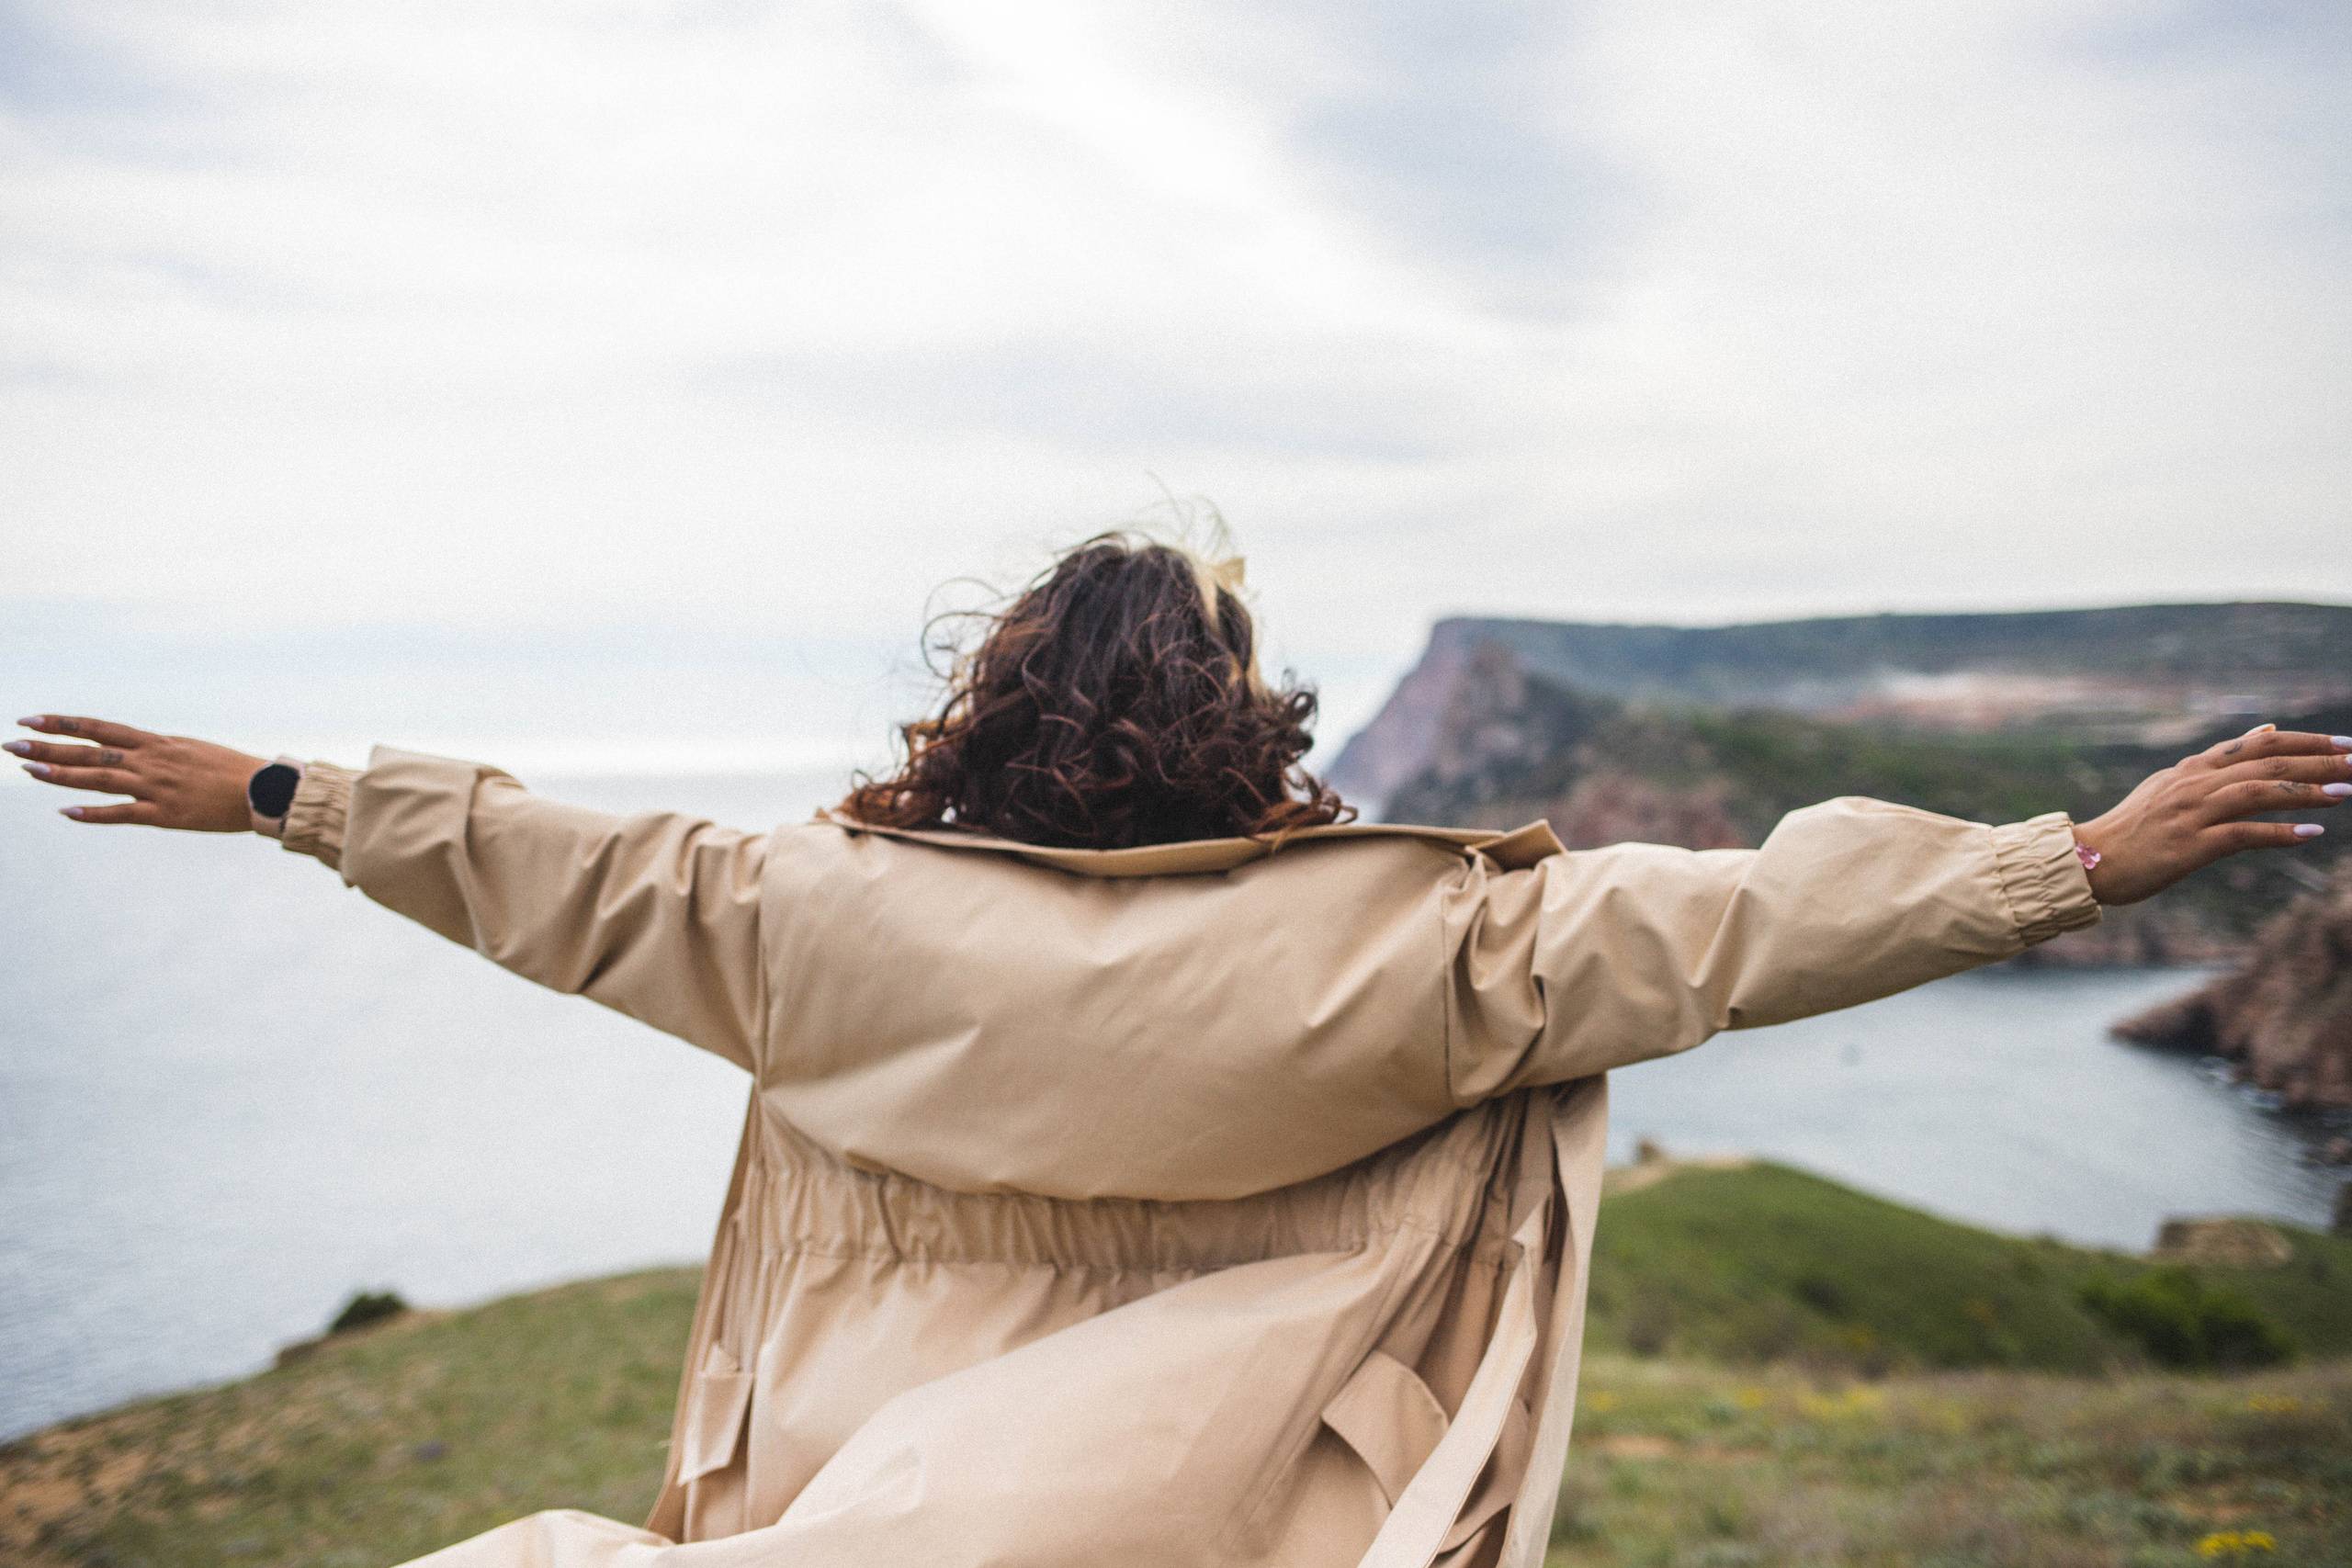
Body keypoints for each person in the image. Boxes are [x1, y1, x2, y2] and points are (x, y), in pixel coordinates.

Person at [13, 535, 2348, 1568]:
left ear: (990, 701)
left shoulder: (794, 917)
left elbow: (549, 861)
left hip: (872, 1482)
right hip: (1242, 1498)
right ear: (1246, 724)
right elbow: (1745, 915)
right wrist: (2072, 856)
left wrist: (283, 794)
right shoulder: (1431, 945)